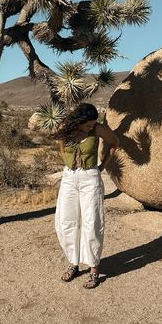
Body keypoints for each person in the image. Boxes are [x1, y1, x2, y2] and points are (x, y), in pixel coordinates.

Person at [53, 103, 119, 289]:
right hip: (69, 177)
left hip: (90, 177)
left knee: (92, 223)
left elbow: (115, 142)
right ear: (79, 120)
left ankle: (94, 269)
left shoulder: (97, 128)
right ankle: (73, 263)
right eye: (88, 124)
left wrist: (102, 166)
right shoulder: (64, 128)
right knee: (66, 221)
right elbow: (61, 148)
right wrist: (69, 164)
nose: (91, 127)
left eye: (93, 124)